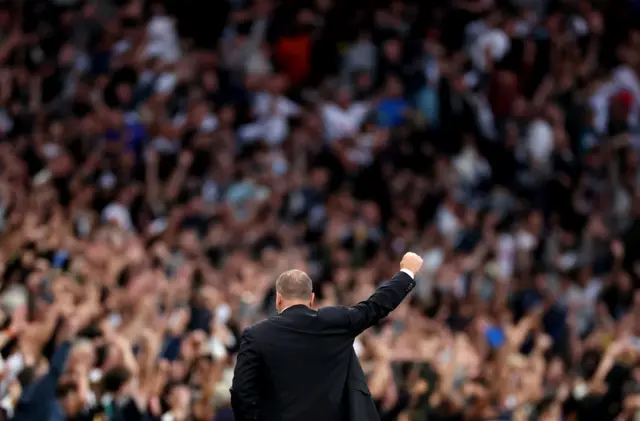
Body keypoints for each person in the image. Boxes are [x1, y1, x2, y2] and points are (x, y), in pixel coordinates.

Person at [230, 251, 424, 421]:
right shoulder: (335, 322)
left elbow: (241, 392)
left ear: (278, 299)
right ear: (311, 299)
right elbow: (375, 306)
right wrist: (407, 272)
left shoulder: (256, 335)